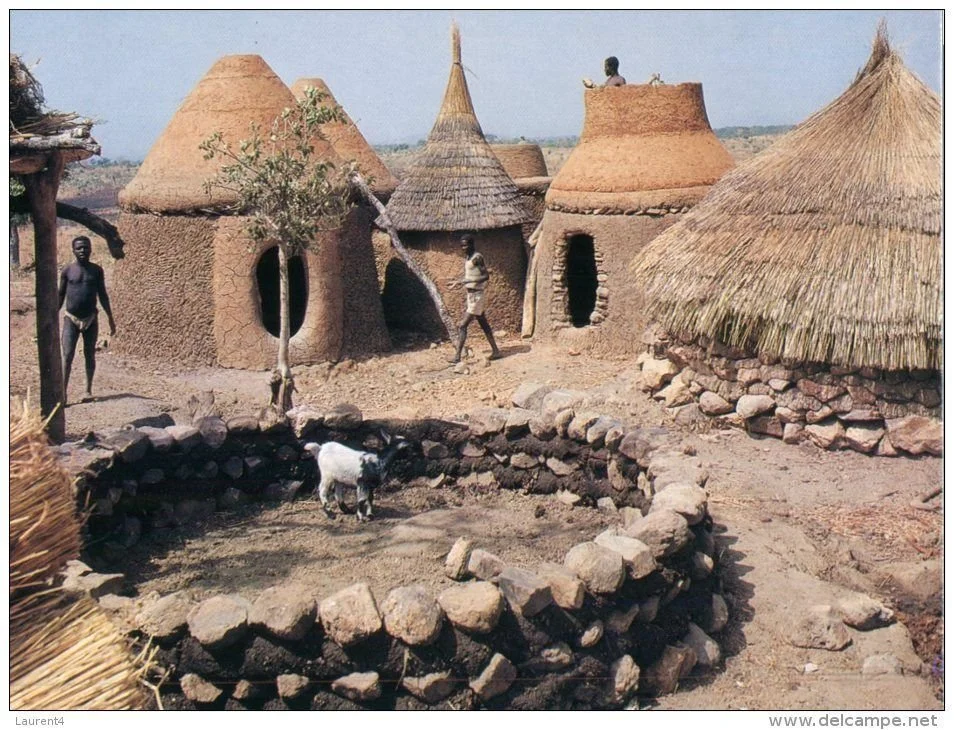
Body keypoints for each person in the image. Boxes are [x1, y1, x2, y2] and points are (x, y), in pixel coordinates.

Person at [58, 235, 116, 403]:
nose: (83, 250)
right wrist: (53, 316)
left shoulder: (97, 271)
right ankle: (62, 394)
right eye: (79, 248)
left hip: (91, 318)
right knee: (67, 355)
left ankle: (87, 391)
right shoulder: (68, 271)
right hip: (71, 318)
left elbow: (103, 295)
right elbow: (60, 295)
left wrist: (110, 317)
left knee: (90, 354)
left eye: (85, 247)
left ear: (91, 249)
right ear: (73, 250)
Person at [447, 234, 502, 363]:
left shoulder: (477, 257)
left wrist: (465, 281)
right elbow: (471, 275)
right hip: (471, 295)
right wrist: (459, 283)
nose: (463, 248)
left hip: (477, 295)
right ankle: (496, 351)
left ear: (472, 244)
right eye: (462, 245)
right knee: (483, 323)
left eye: (465, 245)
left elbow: (486, 276)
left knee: (462, 325)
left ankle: (457, 357)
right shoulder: (468, 257)